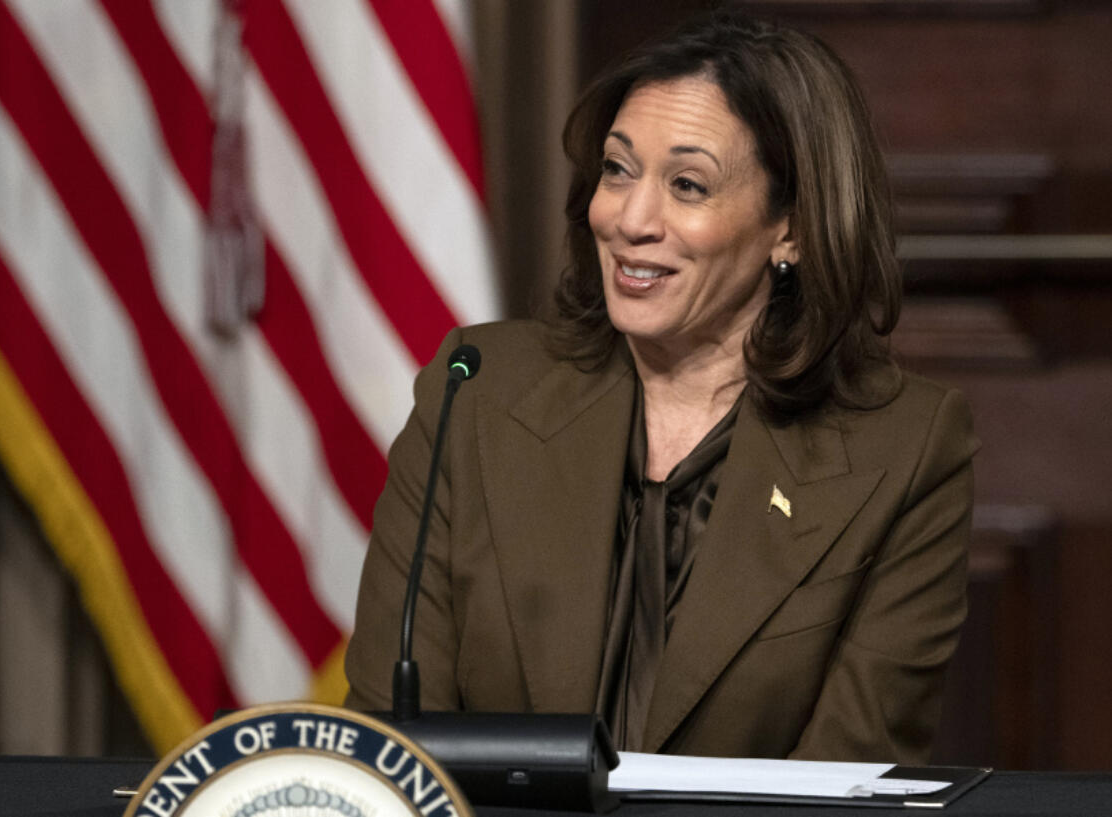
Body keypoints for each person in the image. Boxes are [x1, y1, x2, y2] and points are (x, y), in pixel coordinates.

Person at [344, 11, 978, 764]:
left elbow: (844, 776)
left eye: (687, 184)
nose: (629, 218)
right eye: (617, 169)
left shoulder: (906, 448)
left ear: (793, 229)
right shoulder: (474, 391)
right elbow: (388, 744)